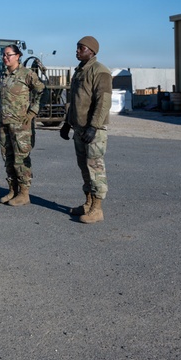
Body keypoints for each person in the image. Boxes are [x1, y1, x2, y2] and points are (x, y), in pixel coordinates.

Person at [60, 36, 113, 224]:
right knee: (84, 167)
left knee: (95, 168)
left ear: (92, 51)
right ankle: (88, 203)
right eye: (77, 48)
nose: (77, 51)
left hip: (93, 130)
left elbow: (103, 101)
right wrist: (67, 122)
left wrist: (94, 126)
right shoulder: (79, 71)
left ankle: (97, 209)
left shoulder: (100, 71)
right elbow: (75, 101)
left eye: (81, 48)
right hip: (79, 128)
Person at [0, 44, 44, 207]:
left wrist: (32, 112)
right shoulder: (2, 76)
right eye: (3, 55)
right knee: (8, 158)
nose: (5, 57)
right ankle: (12, 190)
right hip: (4, 124)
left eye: (8, 55)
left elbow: (41, 91)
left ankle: (24, 193)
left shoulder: (27, 74)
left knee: (21, 159)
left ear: (18, 56)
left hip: (21, 125)